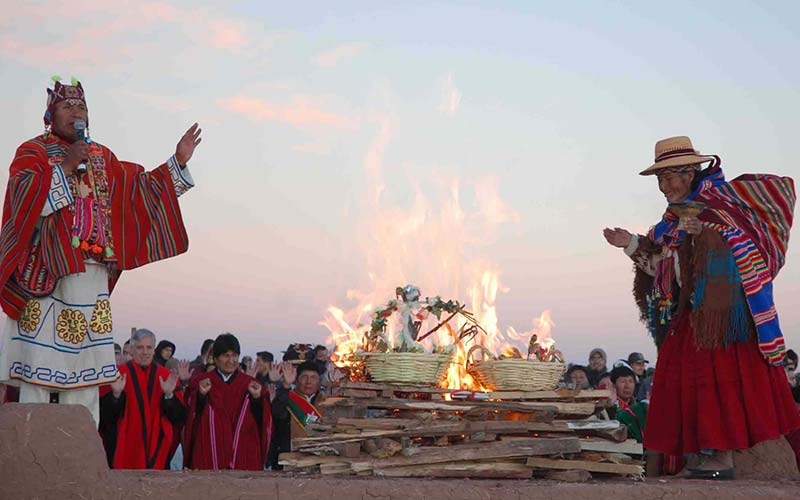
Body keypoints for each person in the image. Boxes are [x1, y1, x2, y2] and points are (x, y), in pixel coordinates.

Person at [0, 77, 200, 425]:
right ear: (50, 115)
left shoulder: (102, 156)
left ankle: (82, 456)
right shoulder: (32, 151)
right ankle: (34, 453)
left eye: (82, 107)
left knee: (86, 377)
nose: (76, 112)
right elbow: (22, 202)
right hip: (45, 276)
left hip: (92, 279)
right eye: (68, 106)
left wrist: (177, 163)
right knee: (38, 375)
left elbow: (141, 191)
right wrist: (63, 167)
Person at [604, 135, 799, 478]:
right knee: (677, 381)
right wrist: (631, 243)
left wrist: (704, 234)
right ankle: (698, 457)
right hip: (691, 318)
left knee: (717, 385)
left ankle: (721, 460)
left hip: (721, 321)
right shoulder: (671, 222)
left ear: (690, 172)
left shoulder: (719, 205)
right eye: (660, 179)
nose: (664, 186)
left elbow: (743, 249)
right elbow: (665, 267)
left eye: (669, 177)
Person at [98, 329, 187, 469]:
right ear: (132, 350)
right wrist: (115, 396)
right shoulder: (117, 375)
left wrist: (169, 396)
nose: (145, 352)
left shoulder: (166, 376)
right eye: (140, 347)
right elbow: (104, 420)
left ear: (154, 350)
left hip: (158, 450)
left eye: (149, 347)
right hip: (124, 449)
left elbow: (179, 418)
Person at [183, 333, 272, 470]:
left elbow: (263, 421)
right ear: (216, 358)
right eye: (226, 355)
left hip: (244, 453)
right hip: (209, 451)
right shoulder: (200, 382)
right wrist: (200, 396)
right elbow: (190, 420)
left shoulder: (251, 384)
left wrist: (257, 399)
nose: (231, 361)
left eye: (235, 355)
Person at [268, 360, 325, 469]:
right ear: (296, 380)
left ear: (319, 382)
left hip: (318, 461)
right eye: (304, 377)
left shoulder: (326, 402)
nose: (308, 382)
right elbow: (277, 413)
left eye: (313, 377)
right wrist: (286, 385)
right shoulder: (286, 397)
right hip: (288, 459)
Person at [608, 365, 647, 443]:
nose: (627, 386)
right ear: (614, 385)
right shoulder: (609, 408)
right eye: (622, 382)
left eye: (630, 381)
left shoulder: (640, 407)